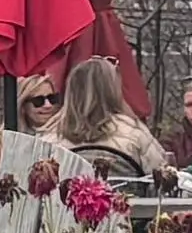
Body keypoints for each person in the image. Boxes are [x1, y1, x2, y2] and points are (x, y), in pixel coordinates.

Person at [46, 57, 172, 186]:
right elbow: (163, 181)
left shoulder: (49, 139)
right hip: (126, 203)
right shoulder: (134, 133)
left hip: (65, 205)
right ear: (113, 90)